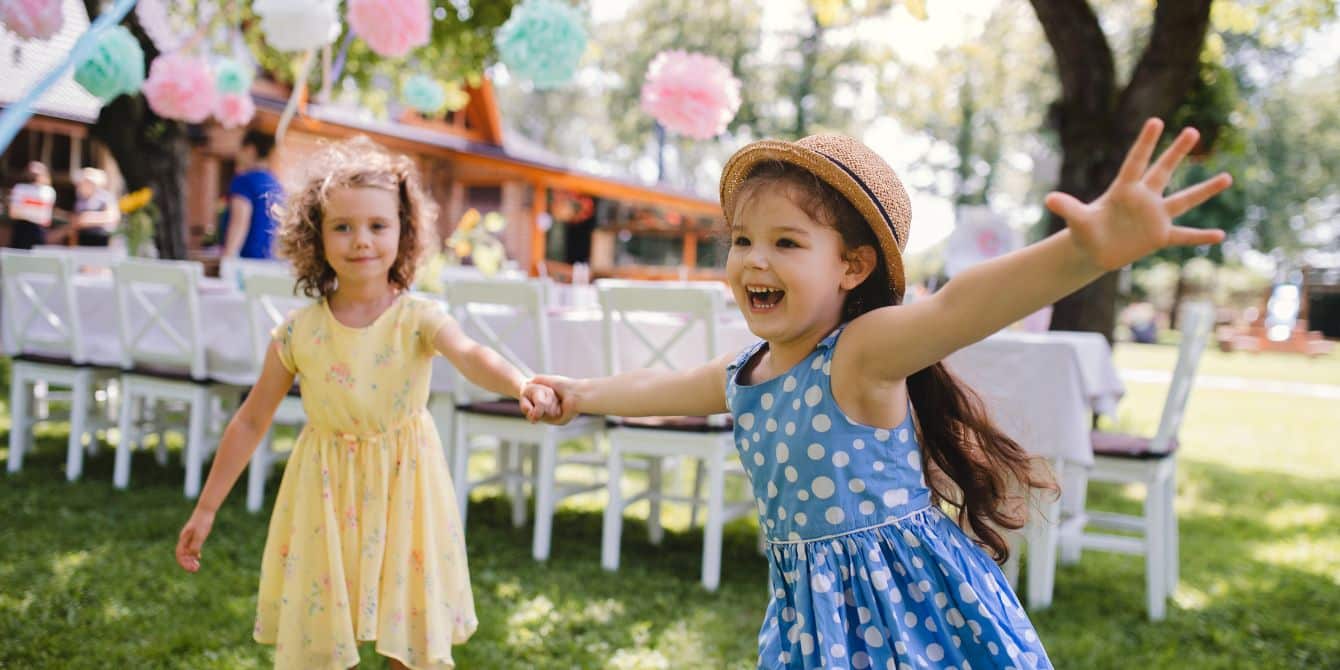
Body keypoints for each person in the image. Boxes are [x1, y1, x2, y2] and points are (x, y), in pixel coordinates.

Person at [535, 119, 1231, 669]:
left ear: (852, 265)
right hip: (815, 620)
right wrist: (579, 393)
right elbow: (660, 385)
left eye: (786, 241)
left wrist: (1087, 251)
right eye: (742, 239)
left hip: (913, 609)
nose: (754, 259)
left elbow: (960, 306)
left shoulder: (861, 355)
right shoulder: (748, 371)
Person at [173, 137, 561, 670]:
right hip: (325, 491)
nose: (361, 241)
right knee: (323, 634)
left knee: (408, 631)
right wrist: (207, 507)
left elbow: (470, 354)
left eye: (378, 226)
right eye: (343, 226)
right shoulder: (297, 333)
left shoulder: (418, 317)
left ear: (403, 233)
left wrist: (520, 384)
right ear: (315, 235)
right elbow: (250, 420)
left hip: (406, 485)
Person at [224, 130, 284, 259]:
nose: (237, 155)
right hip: (269, 261)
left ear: (250, 150)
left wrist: (228, 258)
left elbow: (239, 221)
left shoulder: (244, 181)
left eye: (240, 149)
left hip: (246, 262)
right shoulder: (276, 184)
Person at [5, 161, 56, 249]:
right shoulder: (20, 188)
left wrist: (25, 210)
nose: (35, 175)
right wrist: (33, 212)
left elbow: (45, 218)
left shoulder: (49, 192)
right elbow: (13, 213)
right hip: (22, 230)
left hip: (38, 231)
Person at [71, 167, 120, 247]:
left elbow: (113, 216)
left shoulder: (105, 197)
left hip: (101, 238)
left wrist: (89, 218)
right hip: (83, 238)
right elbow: (75, 220)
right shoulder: (80, 199)